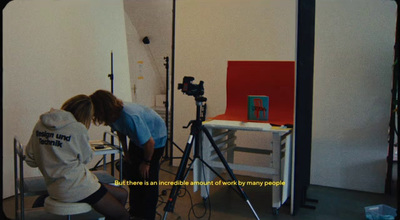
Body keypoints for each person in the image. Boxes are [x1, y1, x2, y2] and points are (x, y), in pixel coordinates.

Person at [25, 95, 130, 220]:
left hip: (55, 186)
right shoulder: (77, 128)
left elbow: (30, 159)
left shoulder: (40, 124)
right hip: (78, 188)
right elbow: (86, 158)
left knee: (122, 193)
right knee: (123, 214)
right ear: (86, 115)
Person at [90, 90, 167, 220]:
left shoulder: (130, 117)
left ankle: (148, 216)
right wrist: (126, 152)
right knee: (134, 177)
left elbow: (150, 143)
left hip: (155, 139)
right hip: (138, 140)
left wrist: (146, 163)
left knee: (148, 180)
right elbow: (121, 130)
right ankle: (135, 213)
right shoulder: (112, 115)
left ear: (102, 108)